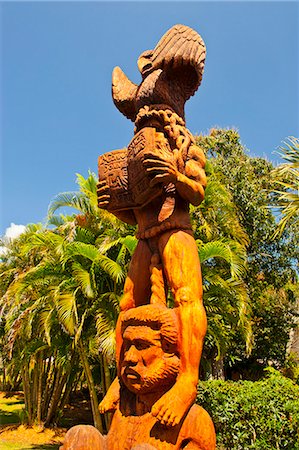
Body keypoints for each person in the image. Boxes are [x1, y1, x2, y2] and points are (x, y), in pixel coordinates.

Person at [97, 24, 207, 427]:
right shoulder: (137, 151)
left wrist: (174, 176)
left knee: (187, 298)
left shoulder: (182, 142)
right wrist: (117, 206)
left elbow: (197, 190)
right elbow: (139, 208)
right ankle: (120, 380)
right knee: (127, 307)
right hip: (145, 236)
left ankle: (188, 382)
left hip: (176, 232)